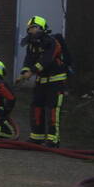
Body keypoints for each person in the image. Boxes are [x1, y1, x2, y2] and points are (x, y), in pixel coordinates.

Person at [18, 15, 69, 148]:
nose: (31, 31)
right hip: (41, 81)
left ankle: (53, 140)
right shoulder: (32, 44)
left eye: (34, 28)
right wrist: (24, 72)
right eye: (29, 28)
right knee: (36, 106)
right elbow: (28, 60)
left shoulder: (52, 42)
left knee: (53, 109)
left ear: (41, 28)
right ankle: (37, 137)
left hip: (56, 81)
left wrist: (32, 71)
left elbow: (47, 60)